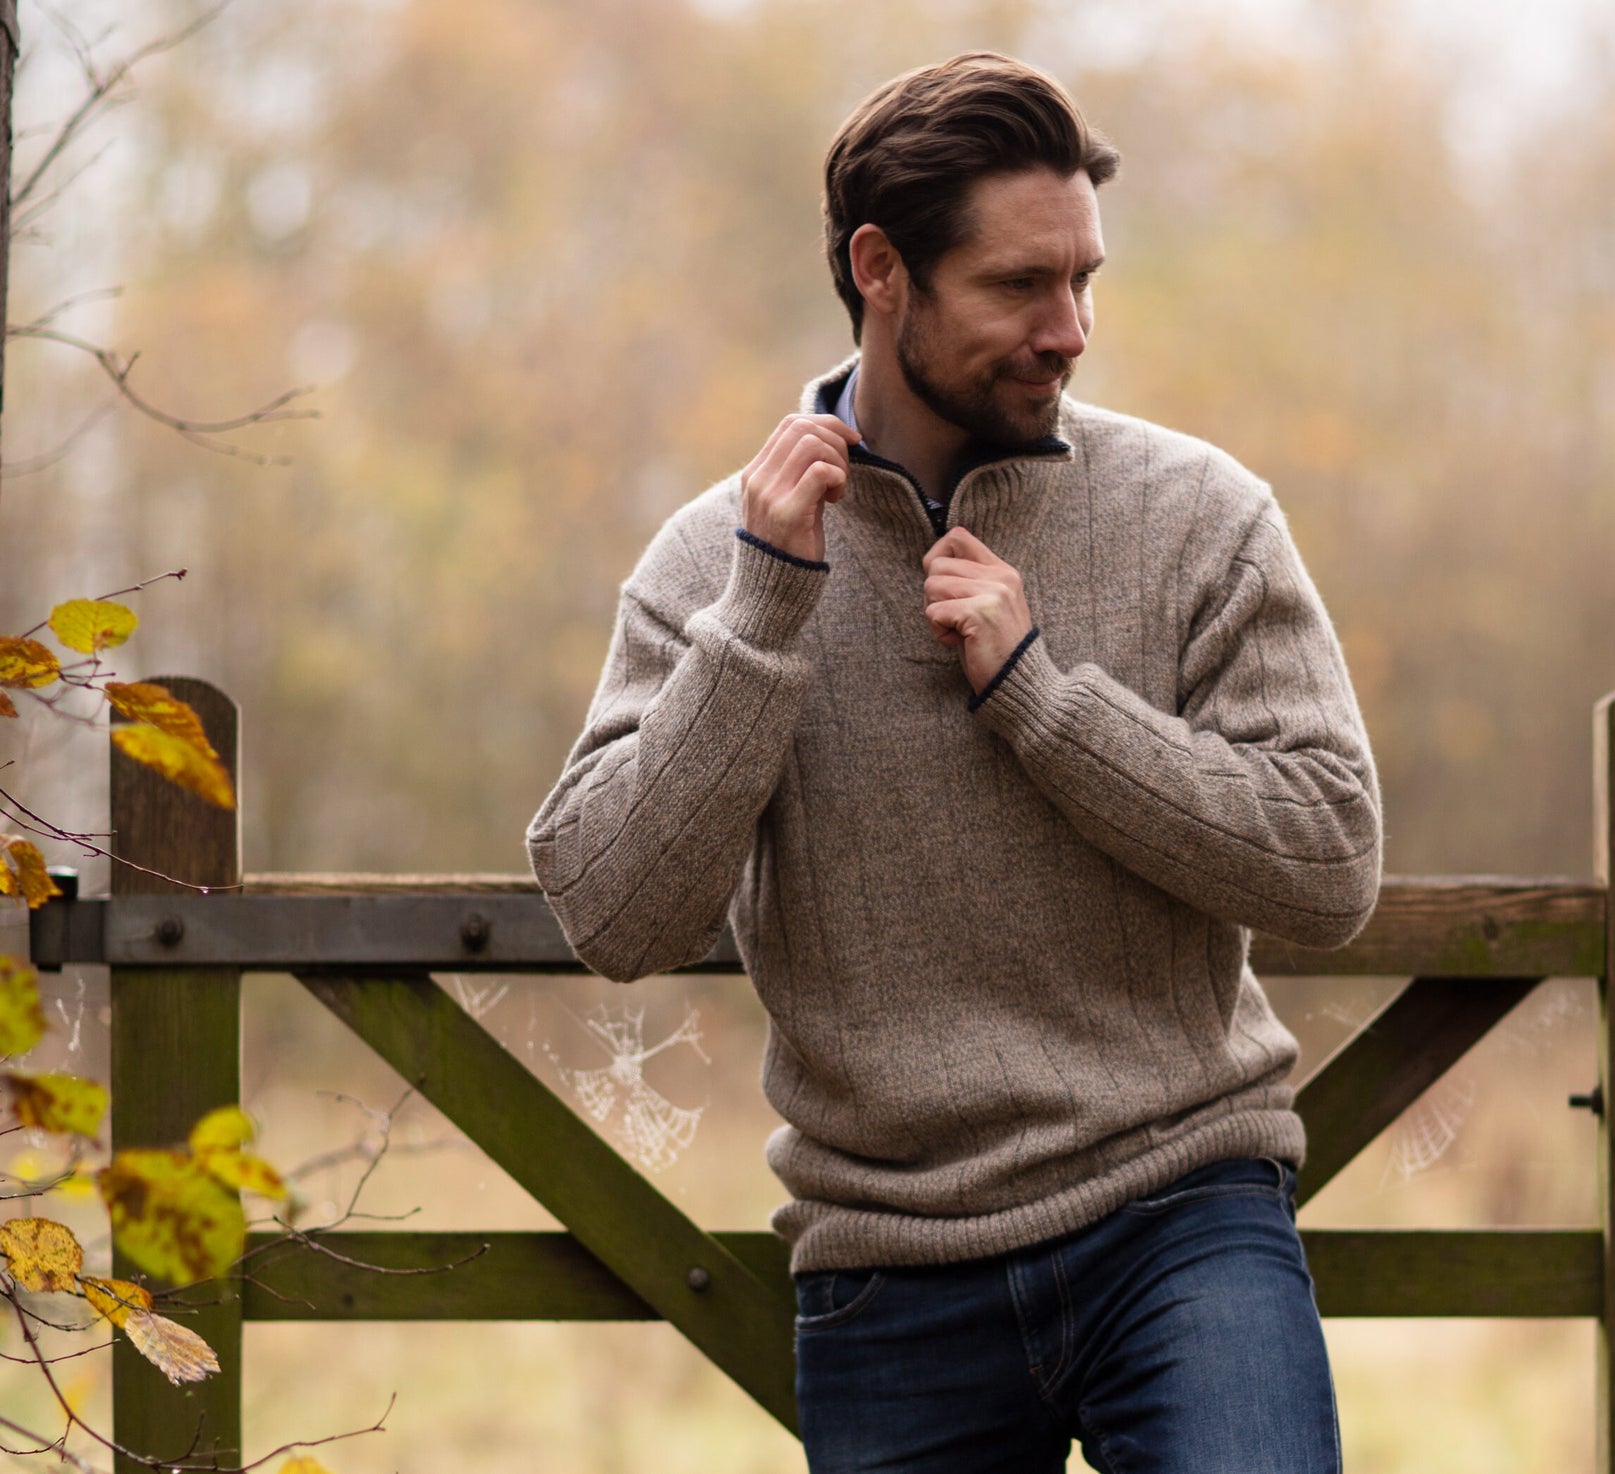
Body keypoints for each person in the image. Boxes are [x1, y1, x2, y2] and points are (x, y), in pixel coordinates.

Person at [528, 50, 1381, 1474]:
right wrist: (763, 618)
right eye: (1017, 287)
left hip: (1180, 1211)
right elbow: (613, 912)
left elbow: (1330, 860)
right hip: (889, 1262)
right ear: (881, 271)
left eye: (1084, 279)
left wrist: (1044, 698)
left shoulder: (1198, 514)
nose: (1070, 329)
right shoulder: (716, 562)